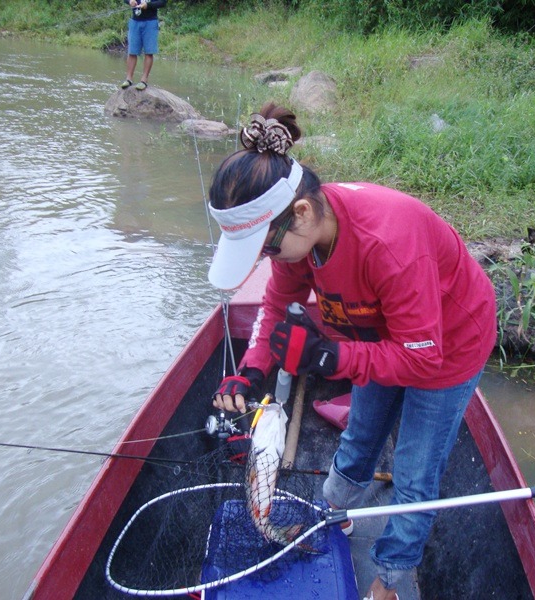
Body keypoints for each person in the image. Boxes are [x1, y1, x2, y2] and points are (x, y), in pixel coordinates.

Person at [208, 103, 496, 600]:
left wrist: (335, 359)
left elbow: (422, 358)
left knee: (413, 471)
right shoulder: (303, 237)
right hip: (376, 336)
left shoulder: (388, 243)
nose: (265, 260)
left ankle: (391, 580)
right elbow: (277, 302)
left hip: (448, 346)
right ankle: (334, 516)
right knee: (361, 434)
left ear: (300, 213)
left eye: (267, 249)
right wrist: (252, 370)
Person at [120, 0, 167, 91]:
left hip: (151, 22)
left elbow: (162, 2)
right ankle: (129, 79)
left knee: (149, 52)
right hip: (135, 21)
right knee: (132, 51)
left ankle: (144, 80)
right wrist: (130, 1)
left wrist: (148, 5)